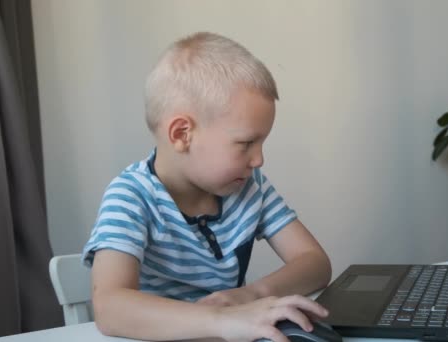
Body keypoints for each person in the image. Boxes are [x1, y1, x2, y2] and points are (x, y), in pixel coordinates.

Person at [82, 32, 332, 342]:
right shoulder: (131, 197)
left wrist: (251, 294)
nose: (258, 159)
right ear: (182, 134)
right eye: (246, 143)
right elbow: (110, 308)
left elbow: (315, 263)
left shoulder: (249, 188)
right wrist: (222, 320)